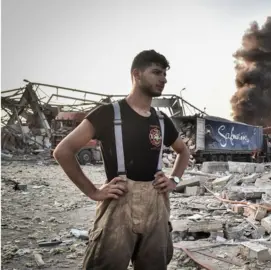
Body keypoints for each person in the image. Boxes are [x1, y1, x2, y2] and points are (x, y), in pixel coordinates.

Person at [53, 50, 190, 270]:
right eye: (156, 72)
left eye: (164, 74)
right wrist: (93, 191)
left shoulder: (162, 120)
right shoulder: (107, 113)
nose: (163, 79)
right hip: (119, 204)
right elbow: (63, 151)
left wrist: (174, 179)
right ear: (136, 74)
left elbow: (184, 152)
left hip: (157, 205)